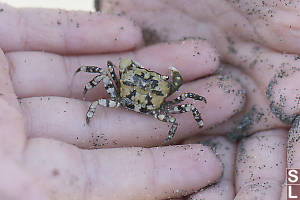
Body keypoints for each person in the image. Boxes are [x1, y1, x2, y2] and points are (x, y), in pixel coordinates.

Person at [0, 1, 297, 199]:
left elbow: (191, 103)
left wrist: (185, 123)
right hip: (151, 107)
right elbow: (97, 75)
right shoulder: (144, 87)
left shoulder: (155, 95)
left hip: (139, 104)